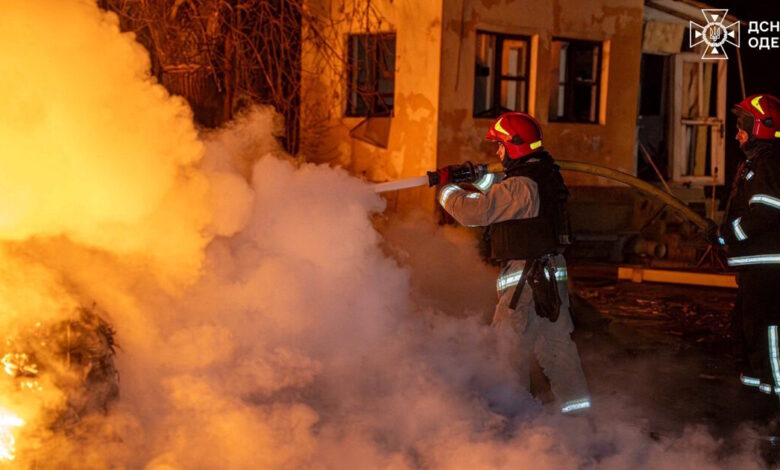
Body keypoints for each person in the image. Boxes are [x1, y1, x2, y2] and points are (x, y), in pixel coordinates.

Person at [435, 112, 590, 413]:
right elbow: (503, 186)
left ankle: (515, 421)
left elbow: (474, 212)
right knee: (557, 349)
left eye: (500, 146)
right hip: (550, 272)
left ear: (513, 146)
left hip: (526, 278)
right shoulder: (543, 174)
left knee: (506, 350)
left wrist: (446, 189)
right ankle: (580, 421)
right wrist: (473, 175)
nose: (497, 152)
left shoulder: (522, 187)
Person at [717, 94, 780, 399]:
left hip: (769, 266)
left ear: (758, 126)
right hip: (758, 265)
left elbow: (767, 211)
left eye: (741, 124)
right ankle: (760, 402)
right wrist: (722, 235)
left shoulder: (767, 164)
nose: (736, 132)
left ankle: (774, 399)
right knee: (748, 331)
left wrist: (729, 233)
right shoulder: (757, 163)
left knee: (767, 332)